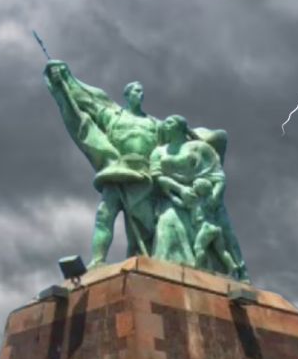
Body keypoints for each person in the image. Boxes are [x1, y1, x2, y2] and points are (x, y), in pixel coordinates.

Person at [43, 60, 159, 267]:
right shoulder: (112, 116)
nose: (140, 95)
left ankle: (144, 263)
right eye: (136, 91)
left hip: (143, 177)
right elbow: (85, 100)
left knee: (143, 228)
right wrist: (64, 78)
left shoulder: (154, 123)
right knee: (104, 215)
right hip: (117, 169)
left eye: (142, 92)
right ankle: (98, 260)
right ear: (127, 95)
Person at [150, 115, 249, 281]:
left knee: (227, 234)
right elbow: (158, 177)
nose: (165, 125)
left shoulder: (200, 148)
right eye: (164, 123)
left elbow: (218, 177)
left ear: (181, 127)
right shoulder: (158, 152)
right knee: (165, 225)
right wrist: (181, 190)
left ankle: (241, 271)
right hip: (173, 196)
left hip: (207, 199)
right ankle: (171, 269)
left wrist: (214, 198)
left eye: (170, 122)